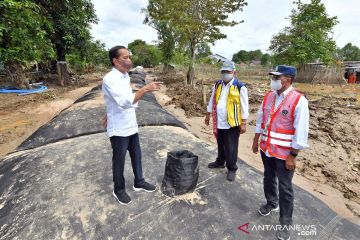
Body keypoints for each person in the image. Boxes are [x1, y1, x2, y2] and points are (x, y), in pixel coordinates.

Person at [252, 65, 309, 240]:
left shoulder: (298, 100)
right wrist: (256, 139)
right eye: (273, 77)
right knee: (268, 177)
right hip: (267, 148)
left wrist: (293, 155)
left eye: (278, 78)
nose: (274, 80)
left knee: (285, 188)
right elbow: (261, 118)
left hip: (285, 154)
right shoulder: (268, 96)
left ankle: (285, 223)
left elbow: (301, 131)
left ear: (288, 80)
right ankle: (271, 203)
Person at [102, 46, 162, 205]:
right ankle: (119, 189)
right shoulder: (109, 79)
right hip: (119, 128)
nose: (129, 60)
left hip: (130, 124)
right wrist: (145, 89)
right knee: (119, 160)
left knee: (137, 155)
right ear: (115, 61)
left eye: (129, 57)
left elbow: (121, 98)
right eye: (125, 57)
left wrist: (108, 112)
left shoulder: (125, 76)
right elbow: (123, 102)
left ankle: (139, 181)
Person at [204, 60, 249, 181]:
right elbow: (212, 100)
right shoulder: (218, 84)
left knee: (231, 147)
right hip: (219, 121)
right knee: (220, 144)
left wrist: (243, 123)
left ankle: (232, 168)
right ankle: (220, 161)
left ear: (234, 72)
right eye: (223, 71)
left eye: (228, 71)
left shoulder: (240, 86)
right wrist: (208, 114)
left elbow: (244, 106)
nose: (225, 74)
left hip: (232, 123)